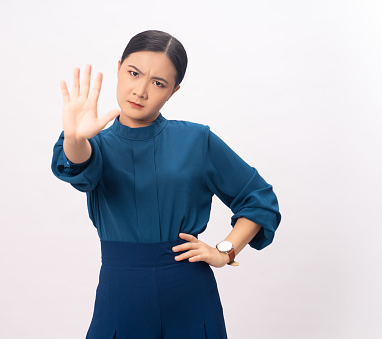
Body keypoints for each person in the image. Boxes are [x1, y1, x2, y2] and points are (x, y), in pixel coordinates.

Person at [51, 30, 281, 339]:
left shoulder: (196, 141)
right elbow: (80, 166)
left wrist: (224, 252)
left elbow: (258, 197)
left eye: (158, 83)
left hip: (188, 292)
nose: (141, 91)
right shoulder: (96, 145)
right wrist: (76, 138)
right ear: (119, 68)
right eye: (134, 73)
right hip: (120, 294)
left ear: (173, 91)